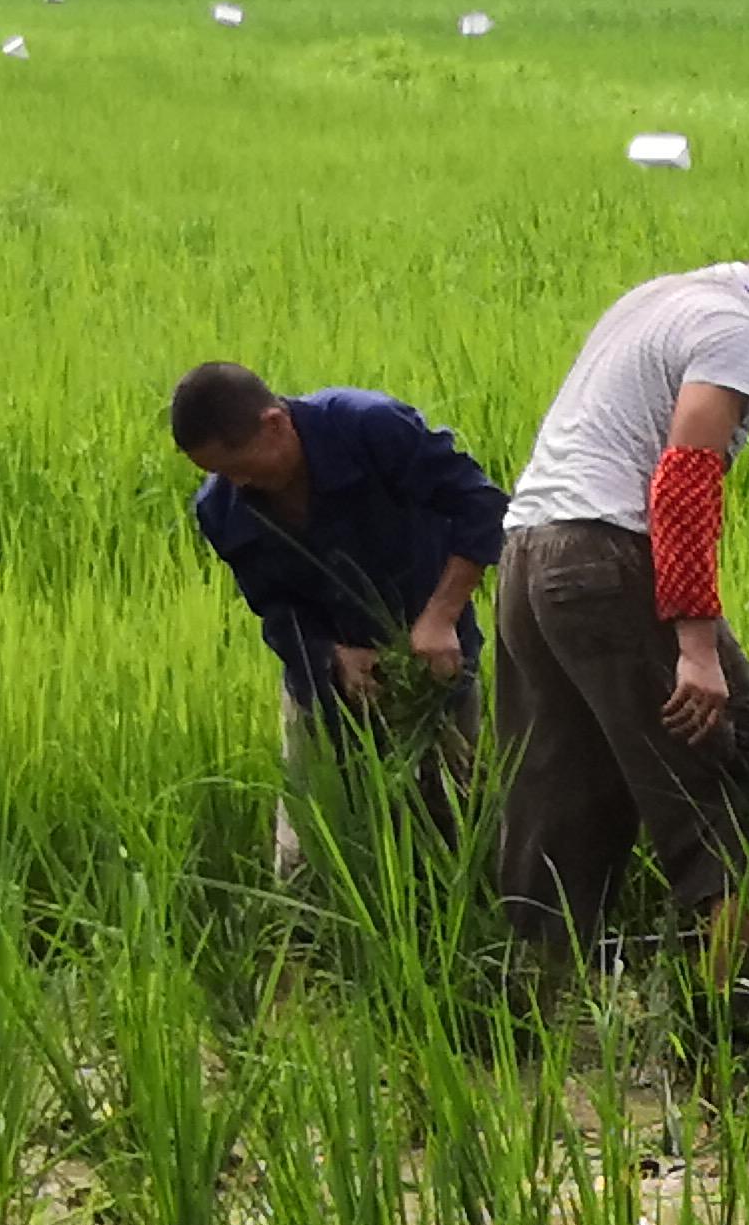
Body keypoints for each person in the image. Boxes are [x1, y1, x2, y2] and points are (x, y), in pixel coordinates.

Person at [495, 215, 749, 969]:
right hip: (608, 562)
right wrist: (695, 646)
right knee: (736, 783)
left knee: (558, 796)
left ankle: (527, 1018)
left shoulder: (662, 298)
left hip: (529, 560)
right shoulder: (739, 326)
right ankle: (723, 1033)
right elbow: (684, 480)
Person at [172, 364, 506, 882]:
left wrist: (440, 617)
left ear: (276, 423)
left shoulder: (370, 428)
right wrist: (333, 658)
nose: (237, 483)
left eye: (242, 466)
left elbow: (482, 507)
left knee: (454, 814)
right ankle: (305, 946)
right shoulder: (221, 507)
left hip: (431, 665)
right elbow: (275, 608)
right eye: (220, 472)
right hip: (323, 680)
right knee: (311, 839)